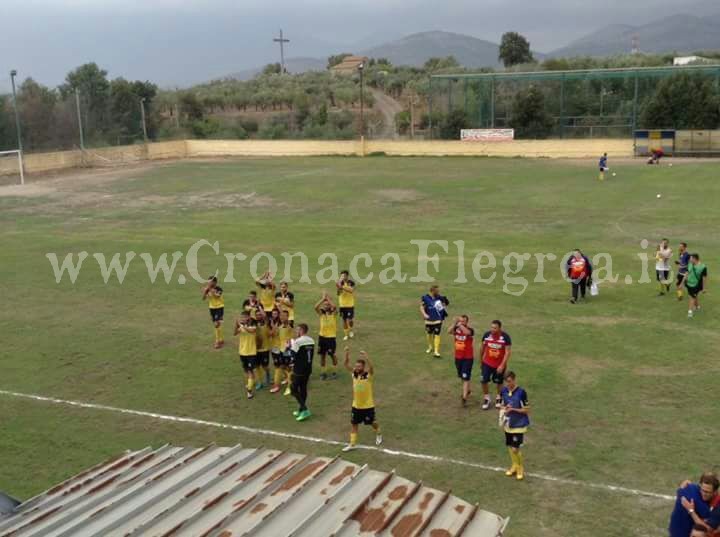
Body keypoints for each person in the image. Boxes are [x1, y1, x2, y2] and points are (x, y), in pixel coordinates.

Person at [341, 347, 382, 452]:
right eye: (356, 366)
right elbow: (346, 364)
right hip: (356, 406)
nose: (356, 367)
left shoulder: (368, 375)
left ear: (363, 367)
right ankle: (352, 444)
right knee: (354, 424)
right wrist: (347, 353)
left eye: (359, 366)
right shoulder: (354, 374)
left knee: (372, 423)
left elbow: (372, 367)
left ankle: (378, 433)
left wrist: (366, 356)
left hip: (368, 406)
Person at [500, 371, 530, 481]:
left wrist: (513, 409)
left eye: (509, 381)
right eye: (506, 382)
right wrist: (504, 408)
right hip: (508, 423)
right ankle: (514, 465)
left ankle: (520, 468)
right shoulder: (503, 390)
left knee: (515, 449)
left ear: (514, 379)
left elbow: (527, 410)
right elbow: (500, 404)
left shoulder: (522, 392)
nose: (508, 384)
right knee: (509, 446)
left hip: (519, 424)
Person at [668, 473, 719, 537]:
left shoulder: (717, 506)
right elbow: (681, 490)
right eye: (702, 490)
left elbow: (708, 529)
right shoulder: (693, 491)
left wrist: (691, 511)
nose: (703, 493)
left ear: (715, 492)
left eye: (707, 492)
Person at [480, 320, 512, 410]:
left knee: (499, 382)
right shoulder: (487, 335)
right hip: (487, 363)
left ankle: (499, 397)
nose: (492, 329)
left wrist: (502, 365)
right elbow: (482, 349)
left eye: (495, 328)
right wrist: (481, 361)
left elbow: (507, 352)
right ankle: (486, 398)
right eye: (492, 327)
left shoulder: (505, 337)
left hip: (498, 365)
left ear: (499, 328)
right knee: (483, 380)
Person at [289, 323, 314, 422]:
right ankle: (301, 410)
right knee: (303, 388)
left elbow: (292, 355)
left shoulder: (298, 341)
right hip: (308, 368)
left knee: (293, 388)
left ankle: (305, 409)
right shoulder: (311, 340)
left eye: (297, 330)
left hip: (299, 369)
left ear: (301, 330)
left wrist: (289, 345)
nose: (296, 332)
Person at [448, 315, 474, 406]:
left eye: (464, 321)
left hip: (467, 358)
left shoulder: (470, 330)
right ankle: (468, 390)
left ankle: (464, 398)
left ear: (467, 322)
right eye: (461, 321)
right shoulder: (456, 329)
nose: (462, 322)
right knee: (462, 376)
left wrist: (460, 325)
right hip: (458, 357)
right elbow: (449, 331)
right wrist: (455, 323)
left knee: (465, 376)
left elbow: (467, 333)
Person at [420, 285, 450, 358]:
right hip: (428, 321)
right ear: (432, 291)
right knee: (429, 334)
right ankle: (430, 347)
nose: (438, 292)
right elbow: (421, 307)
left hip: (438, 320)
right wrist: (424, 314)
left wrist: (444, 305)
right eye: (437, 291)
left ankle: (436, 351)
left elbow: (446, 303)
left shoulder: (440, 298)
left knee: (437, 334)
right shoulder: (425, 298)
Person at [315, 292, 338, 380]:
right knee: (322, 355)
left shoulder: (333, 313)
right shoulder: (322, 313)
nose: (325, 306)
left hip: (331, 338)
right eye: (324, 305)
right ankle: (323, 372)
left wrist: (327, 299)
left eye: (327, 305)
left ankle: (334, 371)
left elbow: (335, 307)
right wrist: (322, 299)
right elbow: (316, 307)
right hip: (322, 337)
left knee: (332, 355)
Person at [234, 312, 257, 399]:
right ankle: (251, 381)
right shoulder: (242, 326)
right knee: (246, 369)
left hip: (251, 352)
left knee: (250, 371)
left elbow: (251, 331)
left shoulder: (253, 326)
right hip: (242, 352)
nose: (243, 318)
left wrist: (242, 326)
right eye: (242, 317)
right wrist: (236, 325)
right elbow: (235, 333)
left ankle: (249, 391)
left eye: (244, 317)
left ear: (249, 317)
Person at [682, 254, 708, 319]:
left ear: (695, 259)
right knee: (694, 295)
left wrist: (704, 288)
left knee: (691, 297)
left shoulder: (703, 267)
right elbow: (687, 273)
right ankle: (697, 306)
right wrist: (681, 283)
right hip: (689, 283)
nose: (689, 260)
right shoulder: (690, 264)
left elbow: (704, 278)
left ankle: (690, 312)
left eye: (691, 258)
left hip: (696, 285)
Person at [202, 276, 225, 349]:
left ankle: (217, 342)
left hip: (219, 307)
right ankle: (221, 339)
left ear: (215, 282)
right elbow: (203, 299)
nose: (209, 283)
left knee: (216, 324)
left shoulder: (219, 289)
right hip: (212, 308)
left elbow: (217, 296)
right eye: (208, 282)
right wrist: (205, 292)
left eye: (210, 282)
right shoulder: (207, 289)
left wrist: (211, 290)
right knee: (217, 324)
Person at [278, 309, 294, 396]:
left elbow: (286, 323)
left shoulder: (289, 325)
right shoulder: (280, 327)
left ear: (287, 317)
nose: (282, 317)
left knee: (288, 368)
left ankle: (289, 387)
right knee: (282, 366)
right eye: (281, 316)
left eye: (284, 316)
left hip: (287, 350)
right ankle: (288, 379)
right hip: (281, 349)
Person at [254, 309, 271, 389]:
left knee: (265, 366)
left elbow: (266, 318)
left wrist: (260, 308)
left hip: (265, 349)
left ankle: (268, 374)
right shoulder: (253, 324)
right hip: (256, 349)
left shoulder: (266, 323)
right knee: (257, 366)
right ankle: (260, 382)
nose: (258, 316)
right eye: (257, 315)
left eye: (260, 315)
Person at [268, 308, 284, 394]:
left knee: (279, 366)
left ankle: (276, 385)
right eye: (273, 314)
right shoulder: (271, 323)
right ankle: (284, 379)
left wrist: (273, 326)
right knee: (280, 365)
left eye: (276, 314)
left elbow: (276, 333)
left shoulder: (280, 323)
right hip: (274, 347)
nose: (274, 315)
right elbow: (270, 334)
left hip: (280, 347)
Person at [336, 270, 356, 341]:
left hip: (350, 304)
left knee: (350, 320)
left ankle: (350, 330)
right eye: (341, 276)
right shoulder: (340, 283)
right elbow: (338, 293)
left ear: (347, 276)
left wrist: (342, 287)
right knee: (344, 320)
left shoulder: (351, 283)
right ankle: (346, 334)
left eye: (344, 276)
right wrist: (339, 287)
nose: (342, 277)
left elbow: (351, 290)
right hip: (342, 305)